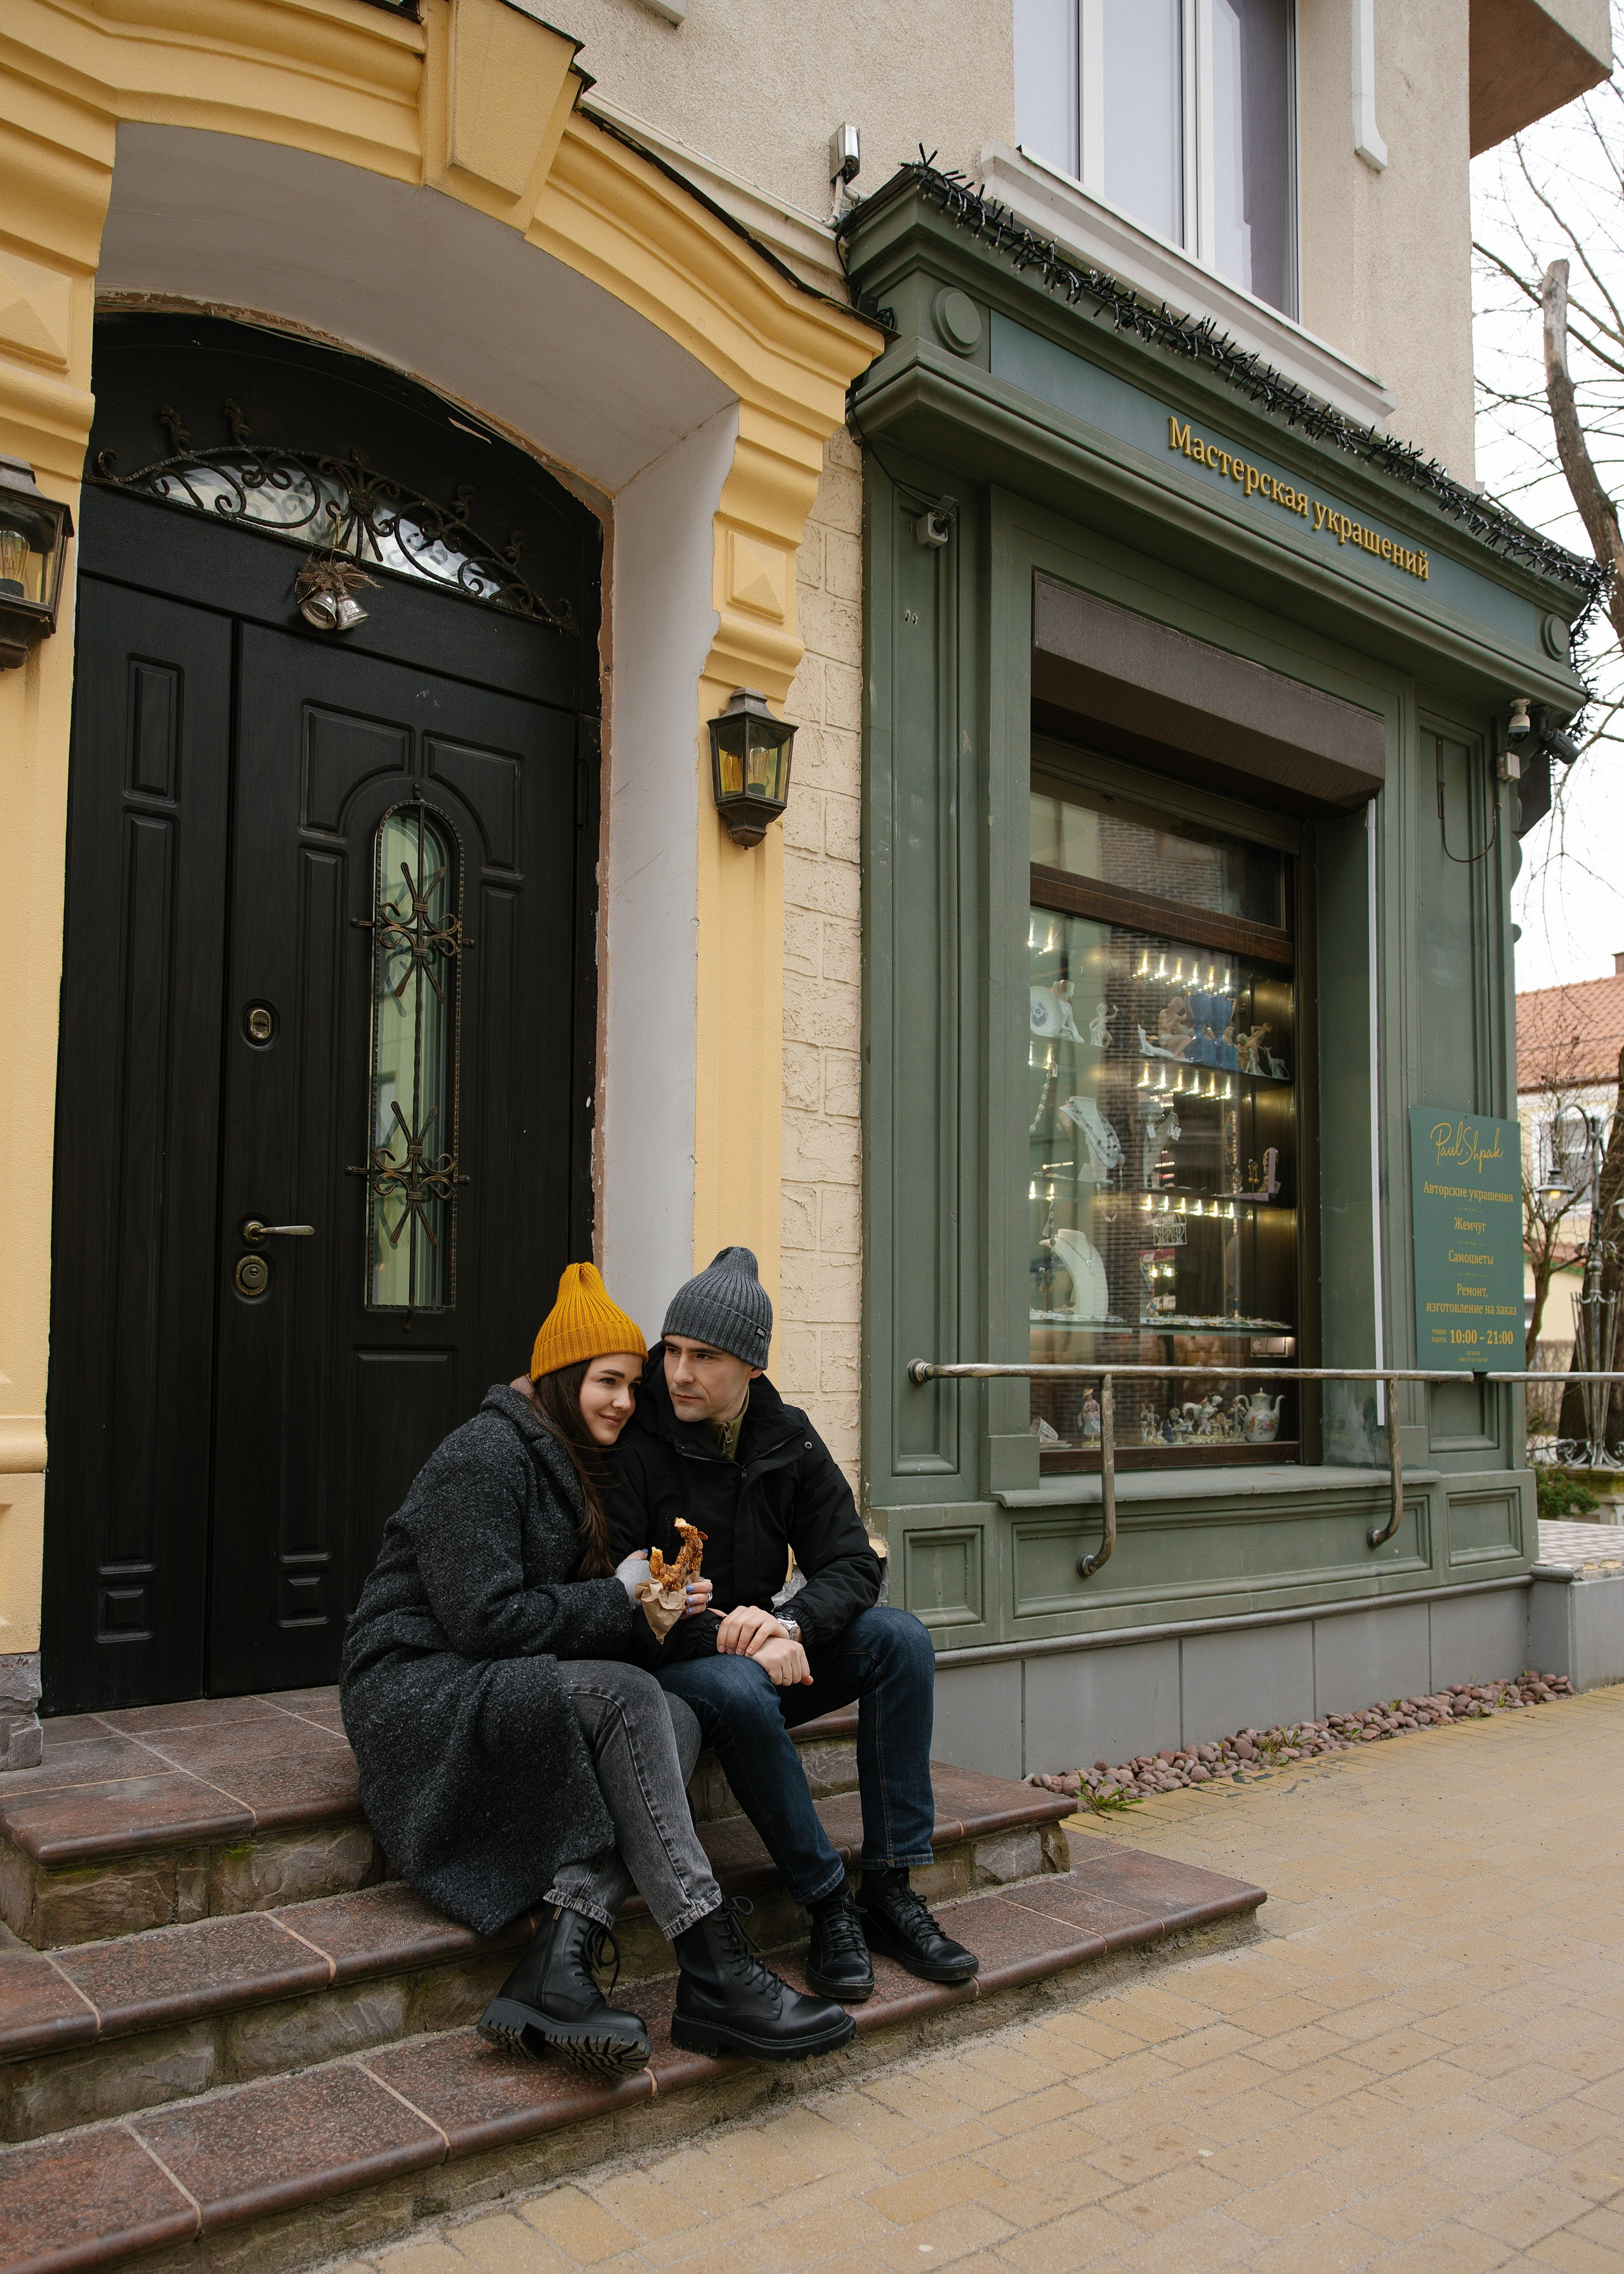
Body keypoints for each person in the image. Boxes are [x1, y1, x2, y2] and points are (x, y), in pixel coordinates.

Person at [340, 1261, 855, 2080]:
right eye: (607, 1381)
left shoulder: (570, 1460)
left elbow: (571, 1620)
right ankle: (713, 1960)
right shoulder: (484, 1453)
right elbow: (485, 1621)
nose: (626, 1399)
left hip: (496, 1675)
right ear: (559, 1376)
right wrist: (618, 1599)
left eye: (630, 1383)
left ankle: (559, 1954)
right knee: (629, 1697)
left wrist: (659, 1611)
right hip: (417, 1685)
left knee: (672, 1713)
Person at [608, 1245, 978, 2004]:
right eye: (671, 1350)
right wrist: (729, 1636)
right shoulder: (635, 1442)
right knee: (741, 1685)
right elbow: (616, 1591)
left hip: (768, 1650)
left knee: (900, 1638)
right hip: (672, 1665)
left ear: (749, 1366)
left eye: (703, 1356)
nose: (678, 1371)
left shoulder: (789, 1436)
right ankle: (825, 1903)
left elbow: (850, 1562)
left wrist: (787, 1623)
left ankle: (889, 1888)